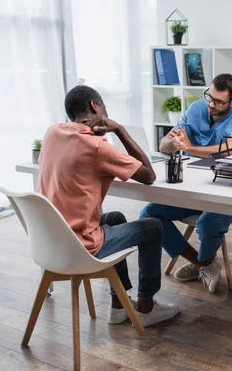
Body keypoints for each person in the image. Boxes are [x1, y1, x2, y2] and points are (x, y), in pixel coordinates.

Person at [36, 84, 178, 327]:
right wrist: (119, 130)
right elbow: (149, 175)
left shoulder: (52, 133)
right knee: (153, 227)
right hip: (79, 245)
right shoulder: (96, 147)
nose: (106, 112)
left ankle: (119, 304)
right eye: (104, 107)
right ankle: (146, 306)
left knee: (114, 218)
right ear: (94, 105)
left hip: (51, 239)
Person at [139, 73, 232, 292]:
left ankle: (202, 262)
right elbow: (165, 144)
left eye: (219, 102)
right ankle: (203, 263)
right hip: (194, 188)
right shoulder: (195, 109)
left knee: (208, 221)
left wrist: (189, 148)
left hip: (229, 190)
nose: (211, 105)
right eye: (209, 97)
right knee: (149, 214)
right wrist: (173, 142)